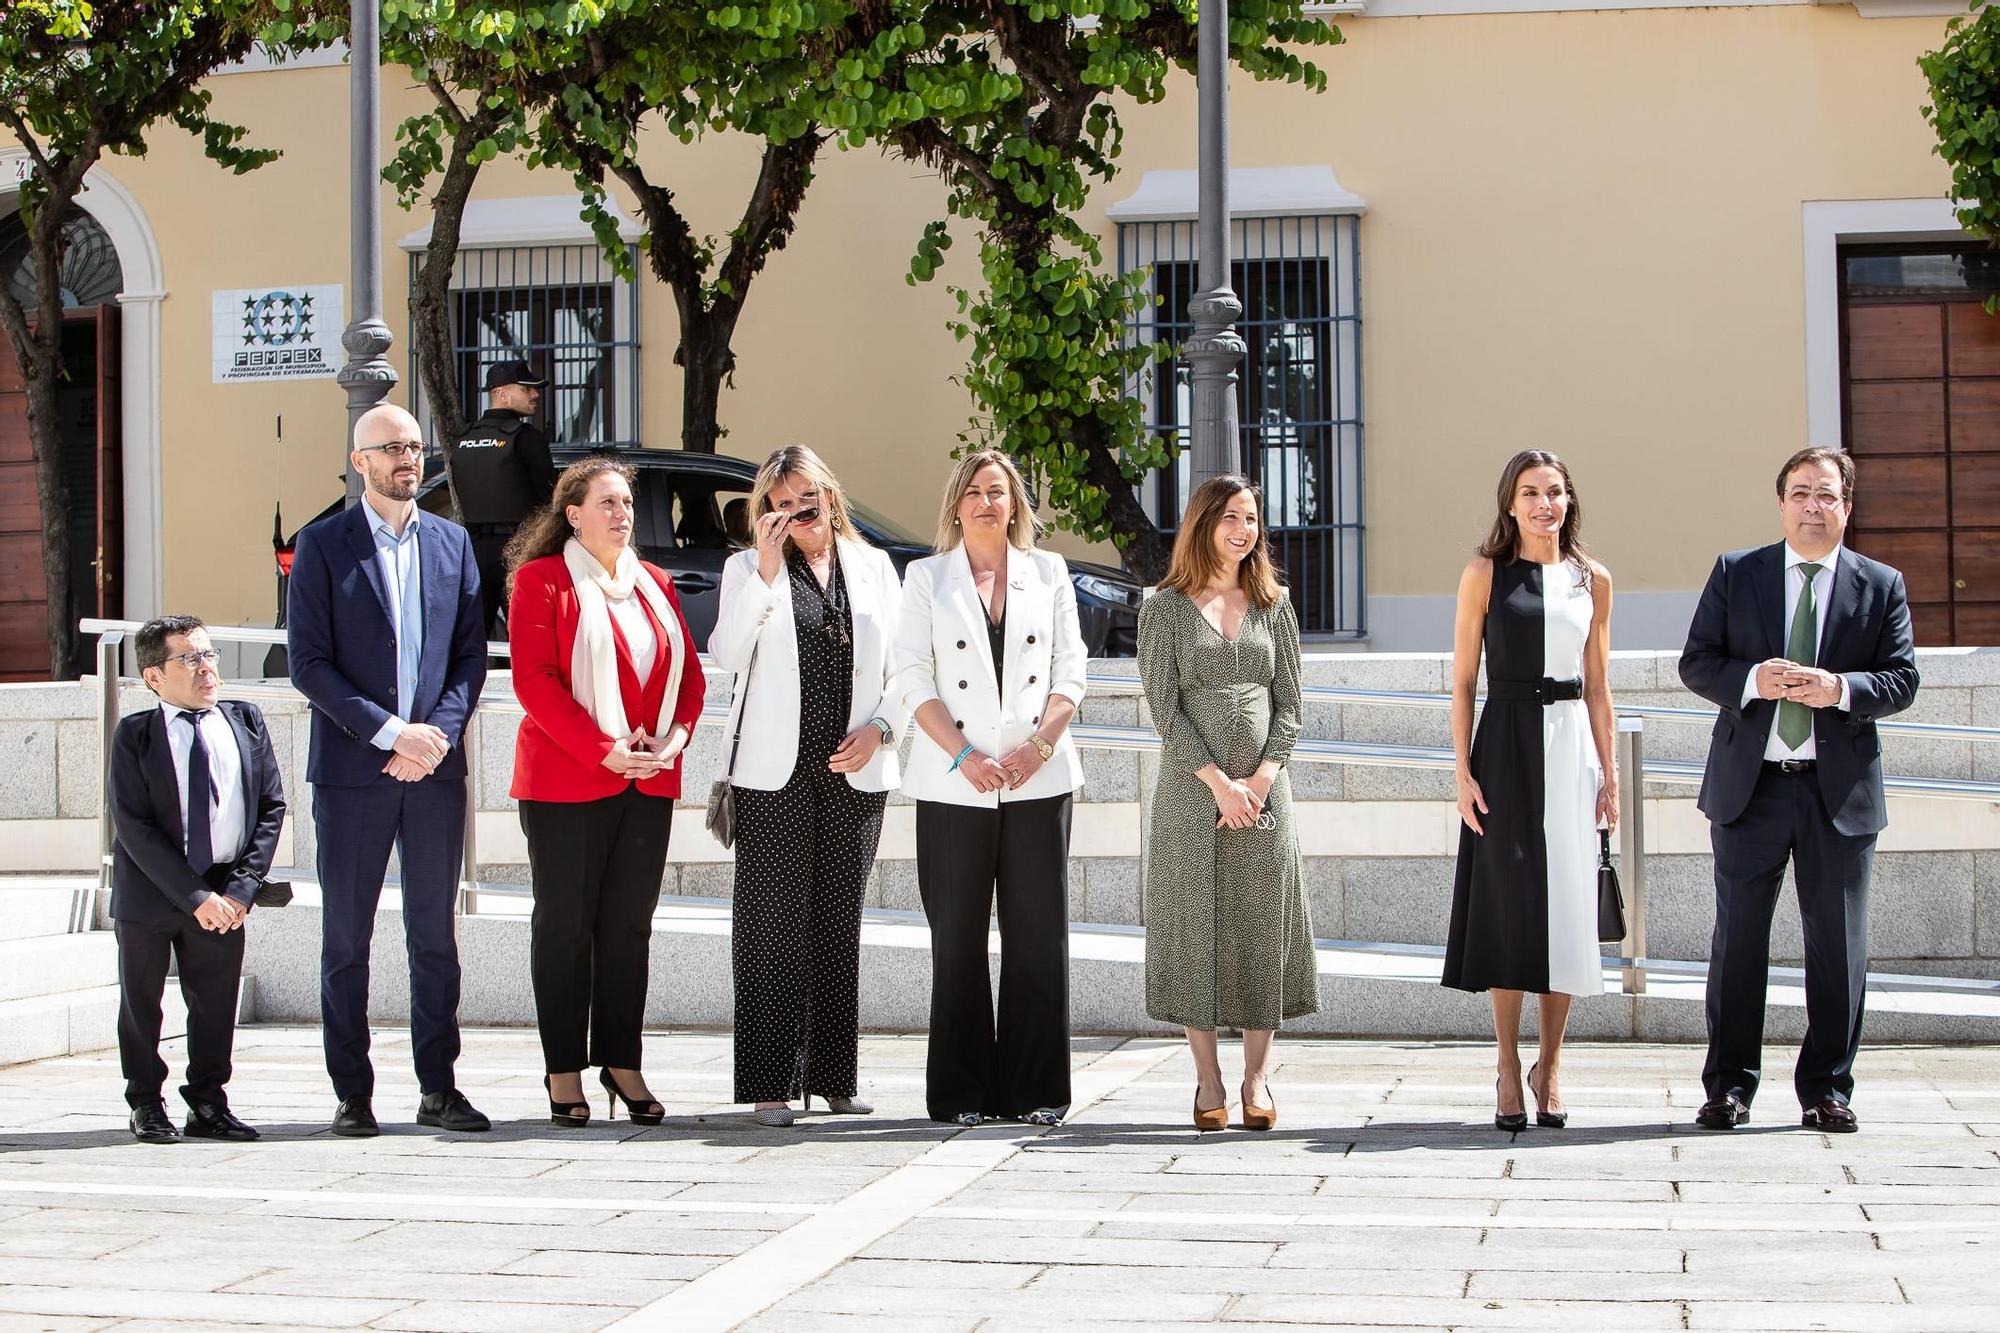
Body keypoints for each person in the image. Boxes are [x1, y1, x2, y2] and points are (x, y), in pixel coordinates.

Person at [1679, 446, 1918, 1135]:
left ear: (1848, 505)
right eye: (1801, 492)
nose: (1814, 506)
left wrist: (1840, 689)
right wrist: (1758, 679)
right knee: (1738, 943)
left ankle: (1827, 1089)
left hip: (1836, 794)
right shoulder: (1737, 572)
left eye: (1828, 495)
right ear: (1781, 502)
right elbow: (1697, 662)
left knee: (1839, 946)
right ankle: (1728, 1087)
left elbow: (1901, 679)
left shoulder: (1880, 583)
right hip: (1750, 790)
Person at [287, 402, 490, 1138]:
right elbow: (307, 663)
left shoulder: (452, 544)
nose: (408, 458)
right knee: (348, 938)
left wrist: (433, 733)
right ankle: (353, 1092)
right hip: (352, 772)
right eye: (391, 448)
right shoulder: (322, 545)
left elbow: (470, 655)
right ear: (359, 458)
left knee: (435, 935)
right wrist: (389, 733)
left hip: (434, 771)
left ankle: (439, 1086)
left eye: (414, 446)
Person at [710, 445, 905, 1128]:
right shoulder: (746, 570)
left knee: (836, 923)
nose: (797, 512)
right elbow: (727, 654)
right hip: (774, 773)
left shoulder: (875, 566)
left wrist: (882, 727)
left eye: (807, 498)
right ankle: (769, 1081)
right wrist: (766, 573)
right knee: (770, 925)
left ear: (830, 494)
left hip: (855, 770)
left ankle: (833, 1076)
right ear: (765, 512)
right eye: (780, 502)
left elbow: (908, 668)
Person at [507, 457, 704, 1127]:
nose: (623, 513)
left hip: (648, 780)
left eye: (627, 502)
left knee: (628, 928)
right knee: (565, 928)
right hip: (567, 781)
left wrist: (673, 743)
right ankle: (564, 1070)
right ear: (573, 514)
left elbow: (691, 682)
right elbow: (534, 683)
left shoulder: (656, 582)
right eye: (608, 503)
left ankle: (623, 1062)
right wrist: (603, 749)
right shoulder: (541, 582)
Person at [892, 450, 1086, 1127]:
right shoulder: (924, 578)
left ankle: (1037, 1091)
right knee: (958, 937)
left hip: (1040, 778)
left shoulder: (1050, 573)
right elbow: (912, 679)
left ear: (1015, 505)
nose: (984, 501)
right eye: (973, 491)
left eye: (997, 491)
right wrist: (964, 756)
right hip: (954, 783)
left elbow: (1072, 674)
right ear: (955, 504)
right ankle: (961, 1093)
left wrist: (1037, 748)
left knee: (1039, 937)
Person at [1441, 450, 1617, 1132]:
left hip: (1571, 746)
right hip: (1505, 743)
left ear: (1569, 501)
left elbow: (1600, 686)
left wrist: (1607, 776)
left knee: (1568, 909)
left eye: (1555, 492)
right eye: (1531, 492)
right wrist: (1461, 770)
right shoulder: (1485, 572)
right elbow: (1460, 680)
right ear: (1509, 503)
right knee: (1512, 906)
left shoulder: (1592, 579)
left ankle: (1552, 1064)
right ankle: (1508, 1065)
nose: (1545, 503)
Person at [1138, 476, 1316, 1133]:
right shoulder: (1164, 608)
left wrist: (1262, 779)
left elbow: (1292, 705)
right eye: (1231, 517)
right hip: (1192, 793)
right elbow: (1166, 709)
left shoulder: (1276, 603)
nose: (1244, 529)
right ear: (1203, 523)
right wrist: (1219, 783)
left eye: (1252, 518)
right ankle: (1209, 1078)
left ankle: (1257, 1078)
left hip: (1267, 797)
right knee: (1194, 922)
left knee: (1260, 924)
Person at [108, 616, 286, 1145]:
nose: (206, 667)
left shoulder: (246, 720)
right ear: (153, 677)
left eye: (209, 654)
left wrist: (239, 890)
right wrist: (193, 896)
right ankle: (145, 1101)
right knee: (142, 1002)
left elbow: (270, 808)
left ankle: (208, 1101)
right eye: (189, 658)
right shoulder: (135, 735)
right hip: (152, 890)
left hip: (227, 892)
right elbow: (133, 826)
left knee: (214, 1002)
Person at [452, 360, 557, 638]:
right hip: (519, 549)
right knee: (528, 637)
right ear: (502, 393)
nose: (535, 395)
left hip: (473, 550)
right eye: (526, 388)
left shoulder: (462, 439)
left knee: (472, 640)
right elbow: (549, 498)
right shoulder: (525, 438)